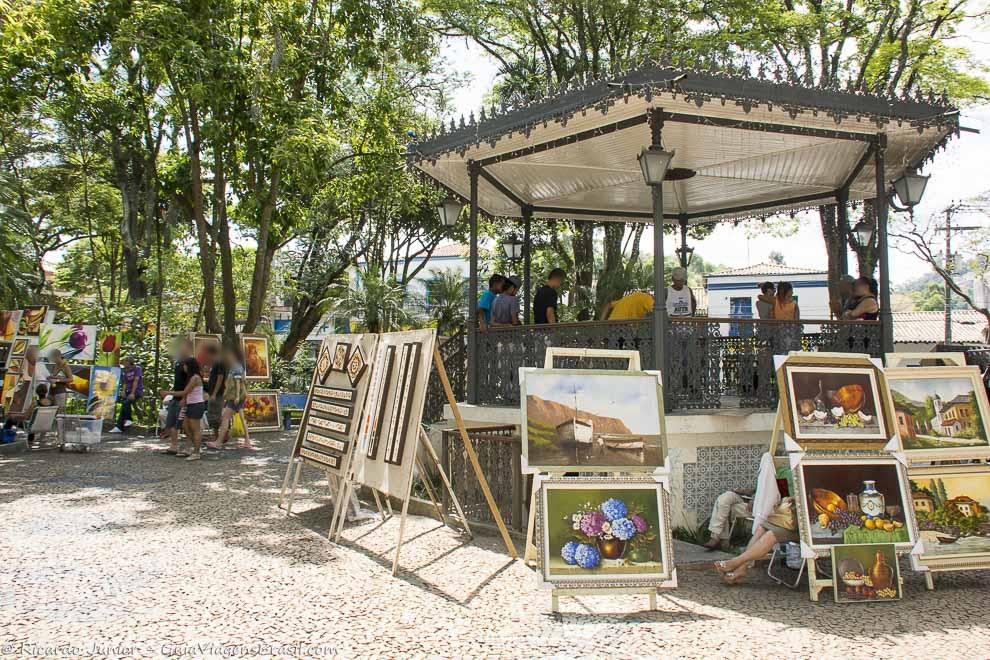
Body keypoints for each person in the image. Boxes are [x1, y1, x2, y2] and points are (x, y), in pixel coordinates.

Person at [160, 352, 206, 461]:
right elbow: (188, 393)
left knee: (195, 429)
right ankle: (195, 447)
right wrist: (184, 400)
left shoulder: (195, 378)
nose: (184, 367)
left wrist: (168, 393)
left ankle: (196, 452)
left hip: (196, 405)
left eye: (185, 365)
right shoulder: (190, 378)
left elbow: (185, 391)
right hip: (190, 404)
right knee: (185, 425)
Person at [206, 345, 253, 450]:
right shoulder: (239, 366)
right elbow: (243, 382)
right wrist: (244, 394)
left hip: (235, 397)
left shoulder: (236, 367)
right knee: (242, 418)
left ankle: (218, 442)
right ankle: (247, 441)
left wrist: (236, 396)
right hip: (239, 397)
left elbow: (237, 382)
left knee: (225, 418)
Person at [160, 339, 193, 456]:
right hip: (175, 396)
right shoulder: (179, 361)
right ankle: (173, 446)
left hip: (184, 396)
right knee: (172, 422)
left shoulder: (190, 362)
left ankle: (191, 446)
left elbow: (191, 381)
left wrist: (185, 397)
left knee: (184, 424)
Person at [110, 356, 143, 434]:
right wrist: (124, 391)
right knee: (123, 407)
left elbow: (136, 380)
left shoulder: (137, 368)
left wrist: (132, 393)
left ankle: (127, 420)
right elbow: (125, 382)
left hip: (136, 391)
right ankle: (120, 426)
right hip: (128, 390)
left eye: (125, 362)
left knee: (126, 403)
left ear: (129, 362)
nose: (124, 364)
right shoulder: (125, 370)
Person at [205, 343, 227, 437]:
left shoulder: (219, 362)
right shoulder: (215, 363)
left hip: (218, 394)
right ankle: (216, 435)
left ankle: (224, 435)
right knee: (213, 416)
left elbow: (220, 378)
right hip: (213, 393)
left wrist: (214, 393)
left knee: (216, 415)